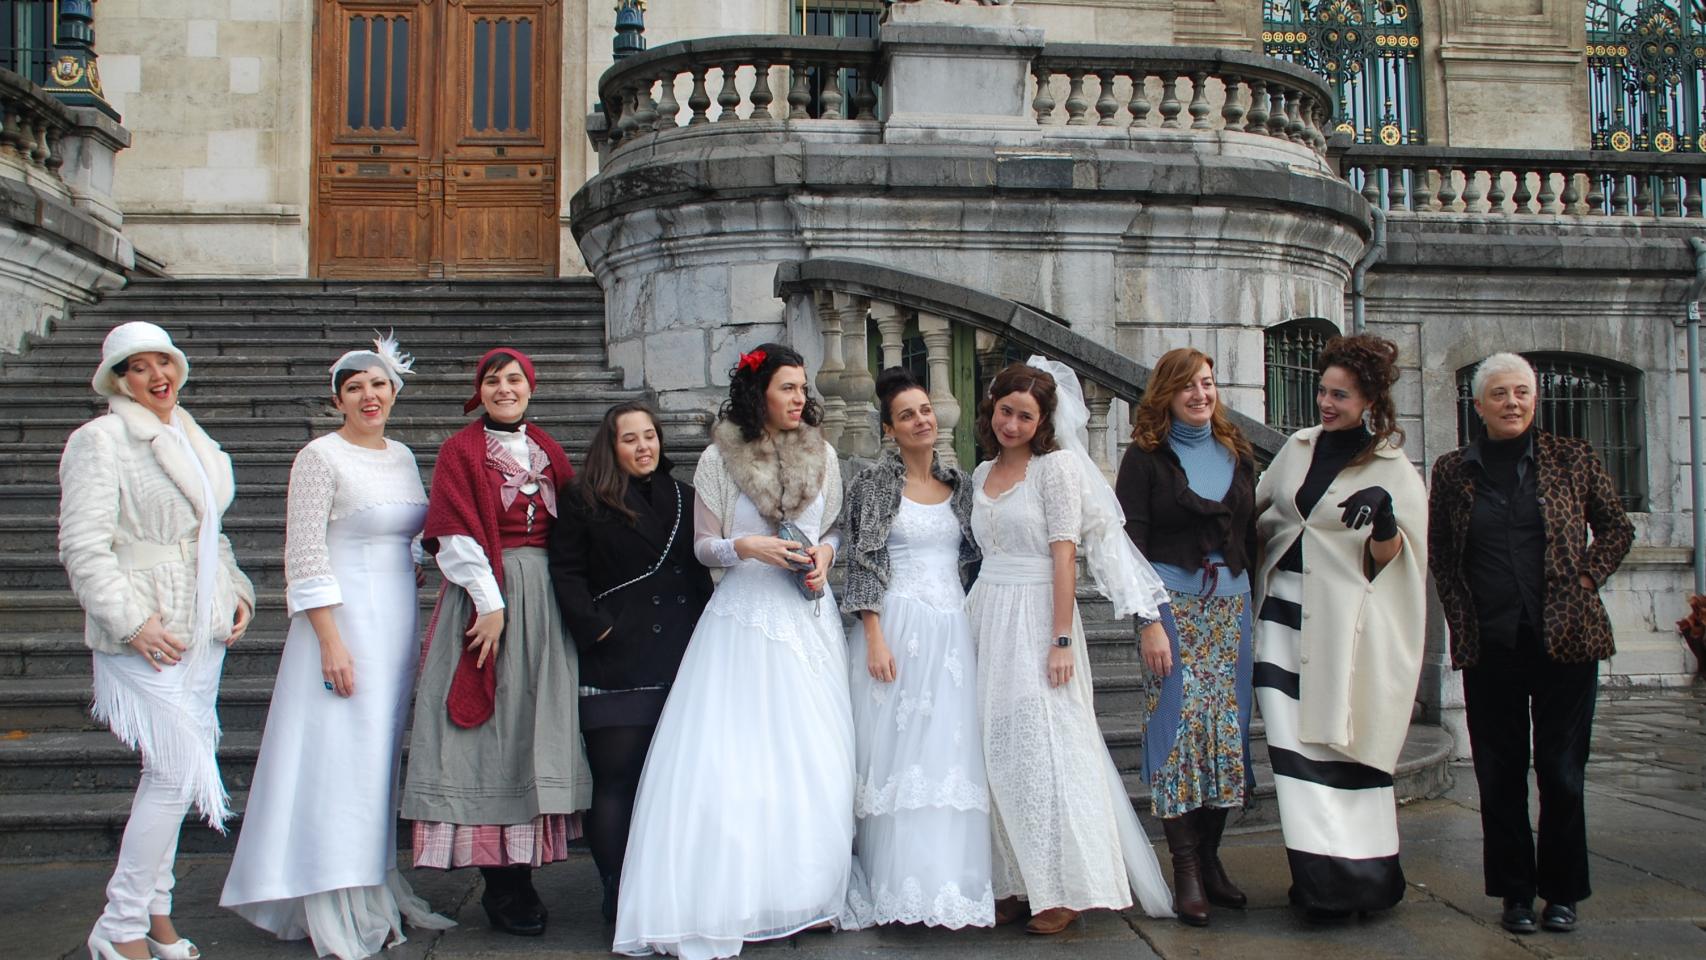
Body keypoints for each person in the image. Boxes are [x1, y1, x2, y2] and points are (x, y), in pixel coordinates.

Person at [613, 343, 853, 959]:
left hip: (808, 618)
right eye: (788, 389)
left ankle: (802, 893)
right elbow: (702, 547)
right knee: (739, 754)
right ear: (758, 393)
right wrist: (748, 547)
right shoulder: (721, 459)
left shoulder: (824, 454)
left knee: (812, 752)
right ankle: (736, 894)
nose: (800, 399)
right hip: (744, 618)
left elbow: (828, 529)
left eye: (803, 388)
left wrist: (823, 556)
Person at [221, 337, 455, 957]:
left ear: (393, 393)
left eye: (377, 385)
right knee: (338, 756)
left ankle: (374, 881)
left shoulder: (404, 456)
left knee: (378, 757)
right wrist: (330, 641)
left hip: (396, 621)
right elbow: (304, 553)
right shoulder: (318, 457)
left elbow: (406, 534)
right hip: (341, 622)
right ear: (337, 400)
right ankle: (332, 893)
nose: (368, 396)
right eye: (354, 388)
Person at [59, 321, 256, 960]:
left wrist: (237, 593)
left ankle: (157, 914)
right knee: (176, 771)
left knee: (167, 773)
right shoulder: (102, 439)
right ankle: (118, 926)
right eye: (137, 367)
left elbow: (209, 536)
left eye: (162, 362)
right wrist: (130, 622)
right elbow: (83, 548)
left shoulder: (190, 435)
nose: (155, 376)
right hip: (146, 631)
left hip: (201, 627)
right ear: (118, 380)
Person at [1428, 352, 1634, 936]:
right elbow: (1442, 551)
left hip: (1566, 641)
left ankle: (1562, 892)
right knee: (1499, 772)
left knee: (1562, 771)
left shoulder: (1572, 458)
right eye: (1499, 394)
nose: (1512, 402)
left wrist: (1588, 577)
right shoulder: (1452, 469)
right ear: (1478, 406)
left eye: (1521, 392)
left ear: (1535, 399)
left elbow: (1617, 527)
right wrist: (1460, 614)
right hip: (1491, 643)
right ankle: (1516, 893)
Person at [968, 358, 1174, 935]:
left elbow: (1064, 556)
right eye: (1006, 411)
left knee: (1050, 749)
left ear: (1043, 421)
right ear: (992, 409)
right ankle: (1014, 879)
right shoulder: (981, 470)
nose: (1012, 424)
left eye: (1025, 416)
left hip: (1038, 614)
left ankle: (1065, 887)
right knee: (997, 748)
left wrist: (1060, 638)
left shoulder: (1054, 469)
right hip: (988, 612)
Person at [400, 347, 592, 937]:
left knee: (534, 726)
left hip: (545, 602)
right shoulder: (461, 450)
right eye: (493, 380)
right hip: (488, 597)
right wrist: (489, 602)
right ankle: (503, 885)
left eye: (514, 380)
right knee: (490, 734)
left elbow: (577, 525)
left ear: (530, 389)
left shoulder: (549, 451)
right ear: (478, 390)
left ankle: (523, 868)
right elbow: (452, 530)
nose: (504, 388)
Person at [1251, 332, 1427, 921]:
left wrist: (1385, 519)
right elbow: (1260, 513)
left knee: (1344, 754)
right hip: (1280, 618)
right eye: (1323, 391)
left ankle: (1366, 881)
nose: (1327, 404)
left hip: (1344, 628)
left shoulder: (1393, 467)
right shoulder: (1298, 449)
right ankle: (1319, 885)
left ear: (1369, 400)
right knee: (1295, 758)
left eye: (1341, 396)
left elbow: (1395, 564)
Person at [548, 400, 713, 924]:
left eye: (650, 436)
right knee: (616, 780)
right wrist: (597, 629)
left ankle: (663, 889)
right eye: (630, 439)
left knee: (669, 782)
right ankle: (617, 892)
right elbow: (567, 573)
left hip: (679, 658)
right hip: (616, 657)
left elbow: (697, 574)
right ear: (611, 445)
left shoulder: (685, 498)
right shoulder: (582, 499)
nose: (644, 447)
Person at [839, 367, 993, 931]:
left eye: (925, 410)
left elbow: (976, 560)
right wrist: (873, 634)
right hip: (897, 629)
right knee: (899, 757)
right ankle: (898, 885)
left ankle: (951, 883)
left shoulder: (961, 485)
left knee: (950, 755)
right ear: (889, 429)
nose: (921, 420)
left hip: (954, 628)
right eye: (907, 415)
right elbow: (863, 561)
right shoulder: (872, 488)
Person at [1115, 347, 1258, 926]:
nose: (1201, 394)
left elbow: (1252, 532)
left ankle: (1212, 857)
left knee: (1228, 734)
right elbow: (1130, 550)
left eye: (1208, 382)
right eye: (1188, 387)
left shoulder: (1238, 453)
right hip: (1172, 610)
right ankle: (1186, 869)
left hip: (1234, 610)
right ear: (1166, 395)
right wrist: (1148, 620)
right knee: (1177, 733)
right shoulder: (1146, 460)